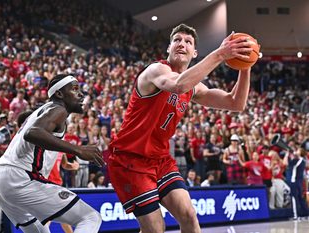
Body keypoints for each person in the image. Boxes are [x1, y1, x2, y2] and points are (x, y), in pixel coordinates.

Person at [108, 23, 253, 233]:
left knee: (189, 216)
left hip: (160, 159)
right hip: (130, 159)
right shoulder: (156, 70)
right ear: (168, 48)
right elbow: (178, 85)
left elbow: (235, 103)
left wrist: (245, 67)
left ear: (194, 52)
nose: (181, 44)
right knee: (155, 228)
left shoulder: (193, 87)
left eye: (188, 42)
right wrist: (220, 55)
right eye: (177, 40)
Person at [0, 74, 105, 233]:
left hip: (0, 178)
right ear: (59, 94)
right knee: (90, 217)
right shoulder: (58, 109)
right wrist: (79, 149)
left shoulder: (44, 111)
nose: (81, 94)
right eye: (74, 89)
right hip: (20, 177)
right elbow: (33, 133)